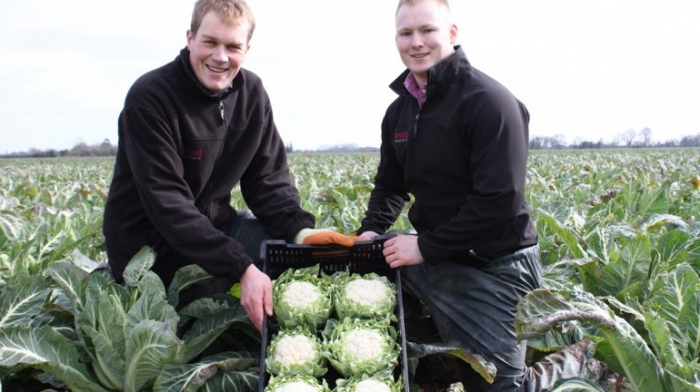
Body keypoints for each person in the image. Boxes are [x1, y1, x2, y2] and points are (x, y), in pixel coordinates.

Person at [357, 0, 595, 390]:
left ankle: (574, 367)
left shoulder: (488, 102)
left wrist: (426, 247)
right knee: (364, 263)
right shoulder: (399, 112)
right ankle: (439, 355)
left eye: (427, 30)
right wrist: (369, 230)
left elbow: (498, 201)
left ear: (451, 34)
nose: (416, 42)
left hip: (496, 263)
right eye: (405, 33)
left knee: (500, 386)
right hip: (439, 253)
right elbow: (390, 184)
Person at [103, 0, 356, 333]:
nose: (220, 57)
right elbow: (170, 207)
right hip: (151, 253)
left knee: (291, 253)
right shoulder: (150, 99)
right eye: (210, 42)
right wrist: (241, 267)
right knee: (168, 344)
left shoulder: (251, 93)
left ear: (247, 49)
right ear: (190, 38)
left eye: (233, 46)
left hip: (216, 230)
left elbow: (267, 180)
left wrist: (301, 232)